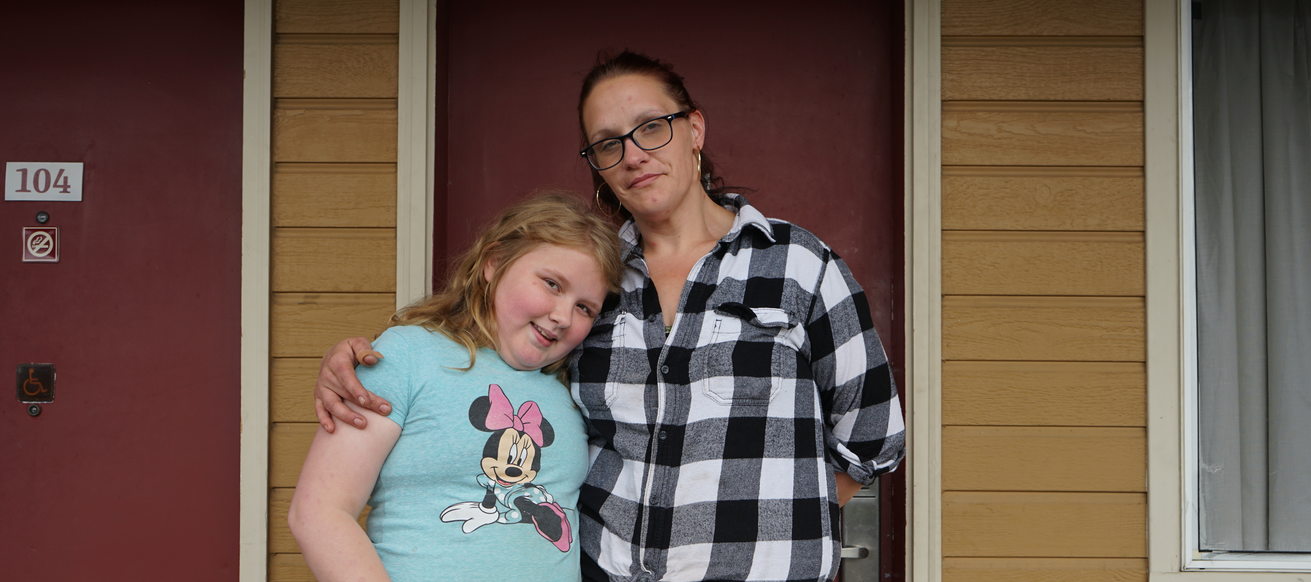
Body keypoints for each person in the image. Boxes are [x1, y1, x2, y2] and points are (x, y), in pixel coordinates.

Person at [315, 51, 906, 582]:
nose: (633, 155)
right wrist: (363, 361)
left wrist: (772, 532)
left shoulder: (799, 265)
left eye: (652, 127)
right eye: (607, 143)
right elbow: (498, 361)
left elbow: (873, 436)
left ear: (694, 128)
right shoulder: (593, 281)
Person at [288, 193, 624, 582]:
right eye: (551, 283)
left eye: (585, 307)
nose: (563, 316)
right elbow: (318, 511)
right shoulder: (406, 356)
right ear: (493, 263)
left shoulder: (575, 388)